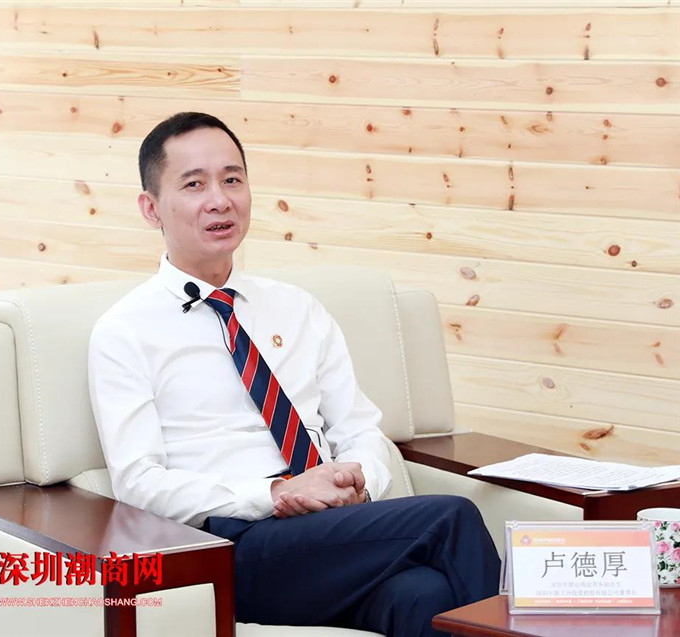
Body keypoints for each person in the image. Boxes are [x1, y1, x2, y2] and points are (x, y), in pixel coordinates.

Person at [88, 112, 500, 637]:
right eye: (194, 185)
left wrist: (357, 486)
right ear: (151, 208)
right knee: (450, 517)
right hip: (234, 545)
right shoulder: (124, 331)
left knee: (425, 595)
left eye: (232, 179)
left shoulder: (297, 308)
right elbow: (139, 483)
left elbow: (358, 429)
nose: (220, 200)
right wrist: (277, 492)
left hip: (333, 532)